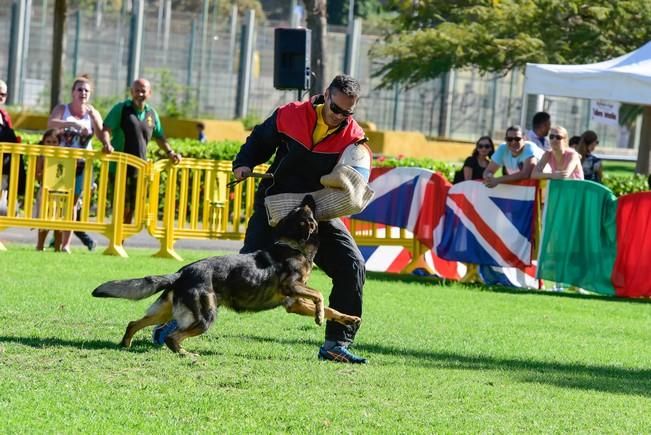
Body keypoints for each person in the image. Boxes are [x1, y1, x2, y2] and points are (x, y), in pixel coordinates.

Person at [229, 74, 368, 364]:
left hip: (317, 212)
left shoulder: (354, 137)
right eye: (336, 109)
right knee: (244, 273)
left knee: (352, 265)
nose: (340, 117)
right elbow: (259, 139)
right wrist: (243, 163)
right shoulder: (290, 115)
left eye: (347, 113)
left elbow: (358, 176)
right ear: (325, 96)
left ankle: (336, 344)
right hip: (277, 208)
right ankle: (175, 324)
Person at [100, 78, 182, 224]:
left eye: (143, 90)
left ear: (149, 93)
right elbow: (106, 128)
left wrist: (170, 153)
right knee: (120, 206)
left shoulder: (152, 113)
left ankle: (121, 240)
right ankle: (117, 241)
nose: (140, 93)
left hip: (139, 168)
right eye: (137, 90)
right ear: (131, 92)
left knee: (133, 208)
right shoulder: (121, 108)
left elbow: (160, 137)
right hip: (119, 167)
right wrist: (106, 143)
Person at [48, 76, 103, 253]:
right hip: (60, 162)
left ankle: (66, 245)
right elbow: (50, 124)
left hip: (81, 164)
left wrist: (95, 120)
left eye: (86, 90)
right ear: (73, 92)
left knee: (72, 203)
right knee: (55, 202)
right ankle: (51, 242)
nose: (83, 93)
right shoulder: (63, 109)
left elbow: (102, 135)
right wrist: (71, 123)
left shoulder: (92, 113)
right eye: (79, 89)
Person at [34, 129, 65, 251]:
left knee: (59, 220)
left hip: (60, 190)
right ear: (43, 142)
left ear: (59, 143)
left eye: (54, 142)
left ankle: (57, 248)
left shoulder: (64, 155)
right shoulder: (41, 155)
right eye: (48, 141)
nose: (51, 144)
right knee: (44, 220)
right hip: (45, 190)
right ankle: (40, 245)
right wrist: (47, 173)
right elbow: (37, 175)